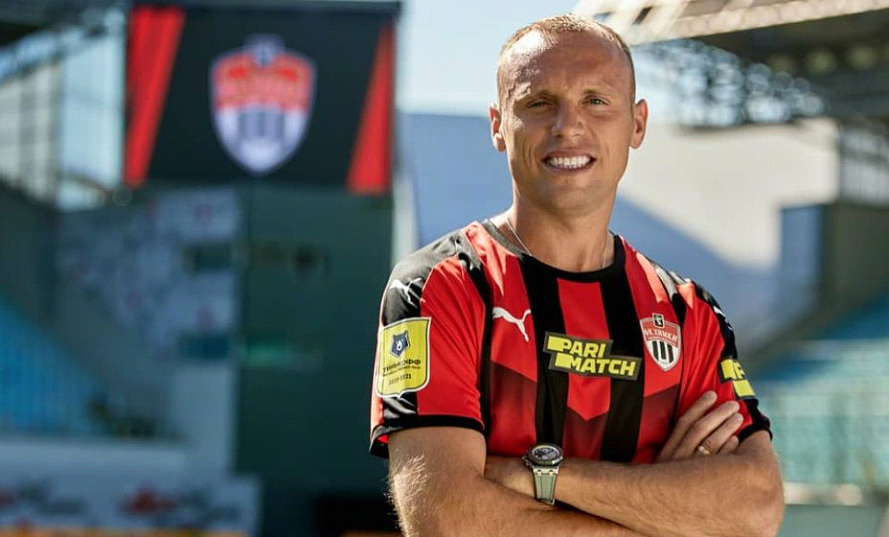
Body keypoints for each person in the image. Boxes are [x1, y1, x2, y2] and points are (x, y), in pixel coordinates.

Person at [369, 13, 783, 537]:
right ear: (498, 125)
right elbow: (447, 520)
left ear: (637, 124)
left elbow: (757, 505)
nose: (568, 126)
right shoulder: (440, 286)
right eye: (539, 103)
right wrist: (668, 517)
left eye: (596, 101)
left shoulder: (687, 312)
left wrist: (540, 477)